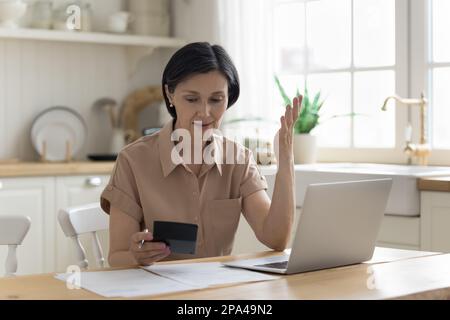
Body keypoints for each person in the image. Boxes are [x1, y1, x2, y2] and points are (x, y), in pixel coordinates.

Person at [100, 42, 301, 267]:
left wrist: (286, 160)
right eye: (192, 99)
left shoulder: (239, 159)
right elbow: (117, 257)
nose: (205, 112)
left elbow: (276, 238)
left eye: (216, 100)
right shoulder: (133, 160)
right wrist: (136, 256)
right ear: (170, 94)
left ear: (229, 98)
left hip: (217, 292)